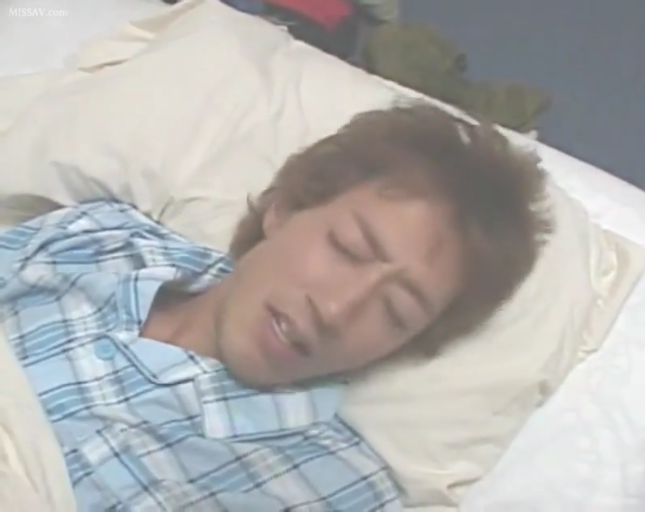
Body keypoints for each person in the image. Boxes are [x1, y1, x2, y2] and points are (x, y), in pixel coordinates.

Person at [2, 103, 551, 510]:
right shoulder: (104, 240)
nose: (337, 310)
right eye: (348, 249)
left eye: (395, 313)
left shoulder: (333, 489)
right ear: (286, 209)